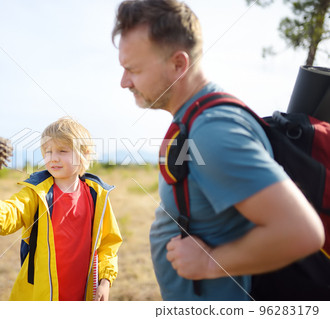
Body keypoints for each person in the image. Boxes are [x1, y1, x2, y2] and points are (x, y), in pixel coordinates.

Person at [112, 0, 324, 300]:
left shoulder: (213, 130)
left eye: (131, 69)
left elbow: (302, 232)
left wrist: (210, 263)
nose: (124, 82)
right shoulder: (198, 116)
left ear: (178, 64)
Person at [0, 117, 122, 301]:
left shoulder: (97, 195)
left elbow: (109, 244)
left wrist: (105, 281)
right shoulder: (36, 193)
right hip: (41, 295)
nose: (53, 157)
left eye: (62, 150)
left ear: (84, 153)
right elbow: (13, 212)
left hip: (83, 294)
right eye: (47, 151)